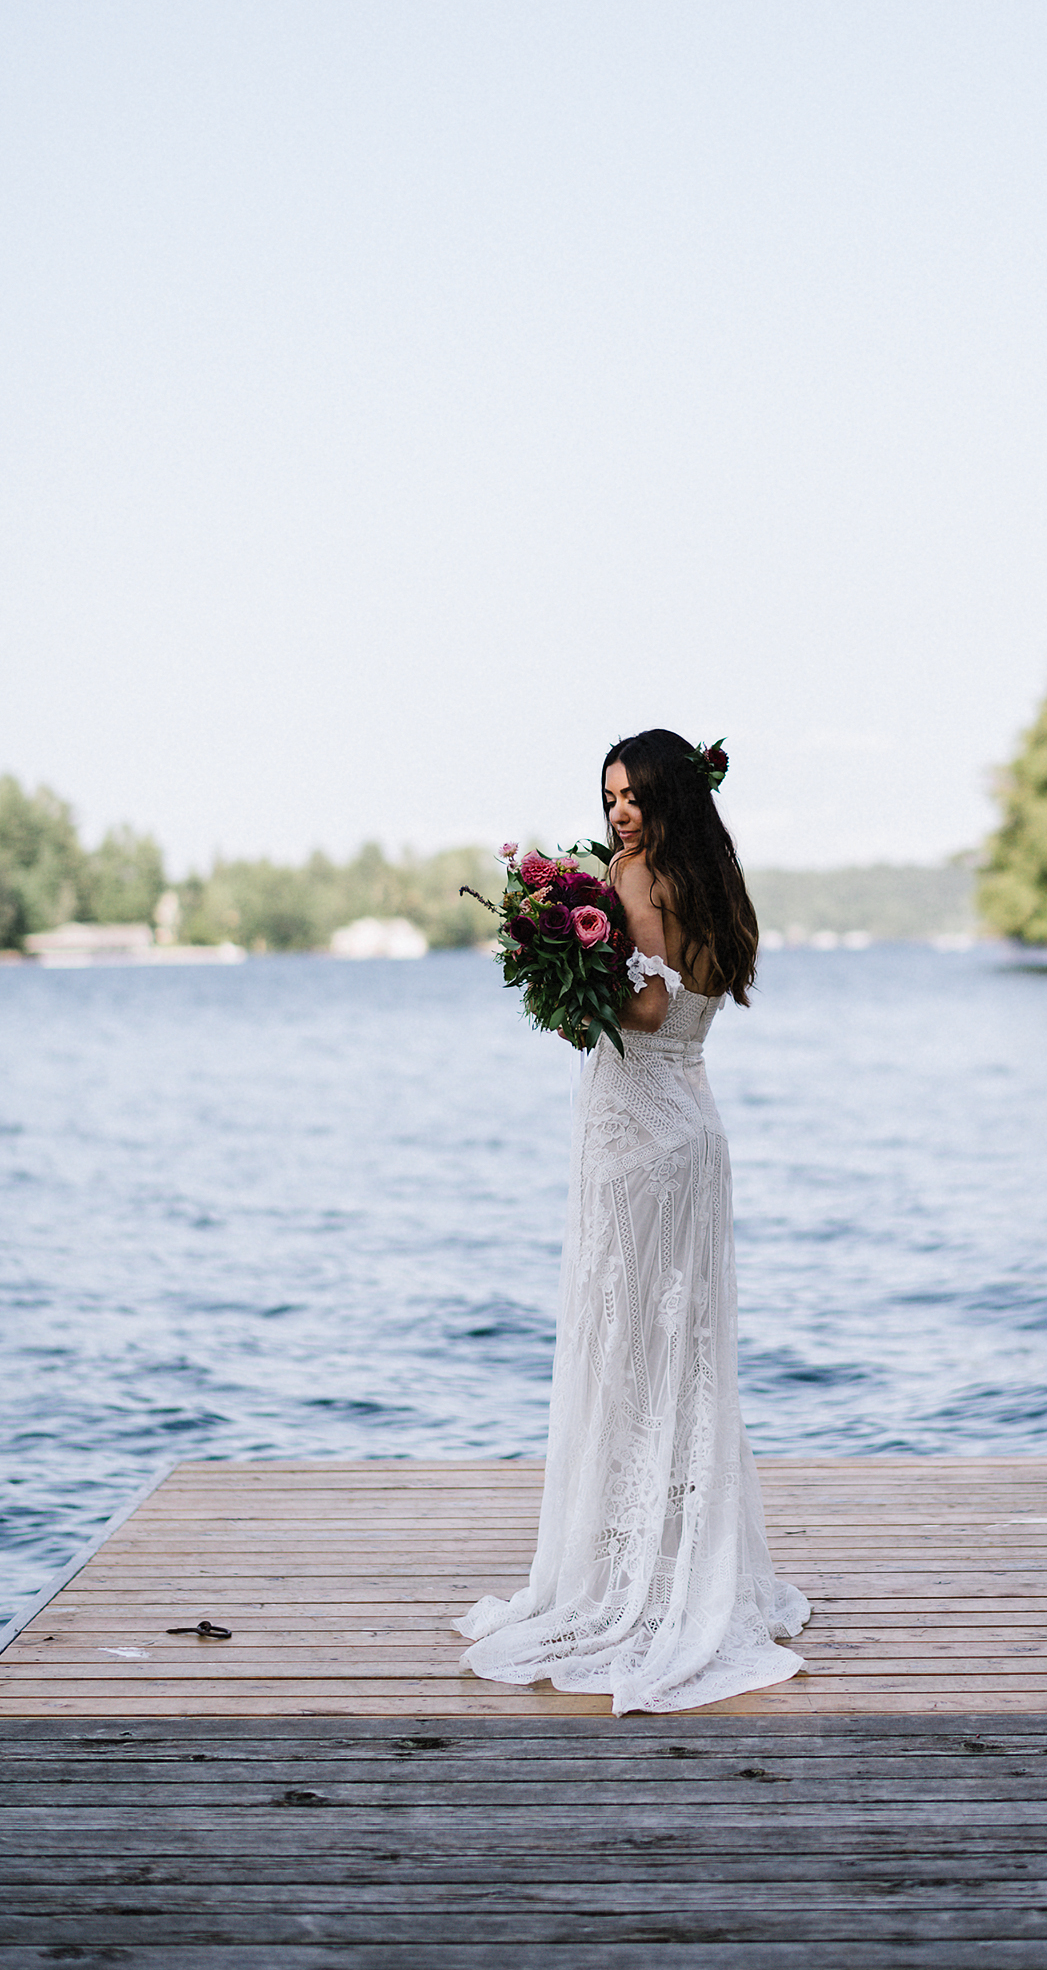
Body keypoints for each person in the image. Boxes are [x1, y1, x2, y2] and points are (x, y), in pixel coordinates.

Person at [456, 728, 809, 1713]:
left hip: (637, 1134)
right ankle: (680, 1553)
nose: (619, 811)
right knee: (678, 1352)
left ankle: (632, 1577)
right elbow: (689, 999)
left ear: (663, 798)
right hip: (693, 1129)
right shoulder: (713, 876)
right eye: (610, 795)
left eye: (633, 795)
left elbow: (644, 1015)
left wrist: (563, 986)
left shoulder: (639, 874)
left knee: (624, 1345)